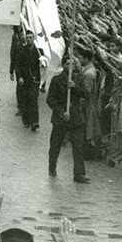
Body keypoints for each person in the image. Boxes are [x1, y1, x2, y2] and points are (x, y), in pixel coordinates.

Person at [47, 55, 90, 183]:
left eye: (72, 64)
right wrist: (61, 112)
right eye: (67, 64)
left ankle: (79, 174)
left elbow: (86, 94)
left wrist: (74, 87)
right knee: (56, 144)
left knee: (78, 146)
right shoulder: (56, 80)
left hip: (75, 116)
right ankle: (52, 167)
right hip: (61, 118)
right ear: (63, 65)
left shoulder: (78, 79)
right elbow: (50, 99)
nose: (70, 67)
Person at [14, 31, 42, 131]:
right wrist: (19, 77)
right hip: (25, 79)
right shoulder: (22, 50)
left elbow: (44, 64)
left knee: (33, 98)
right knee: (26, 99)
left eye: (31, 37)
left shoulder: (39, 51)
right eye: (27, 37)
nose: (29, 39)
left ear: (34, 38)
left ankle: (35, 121)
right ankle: (26, 120)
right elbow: (17, 66)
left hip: (35, 79)